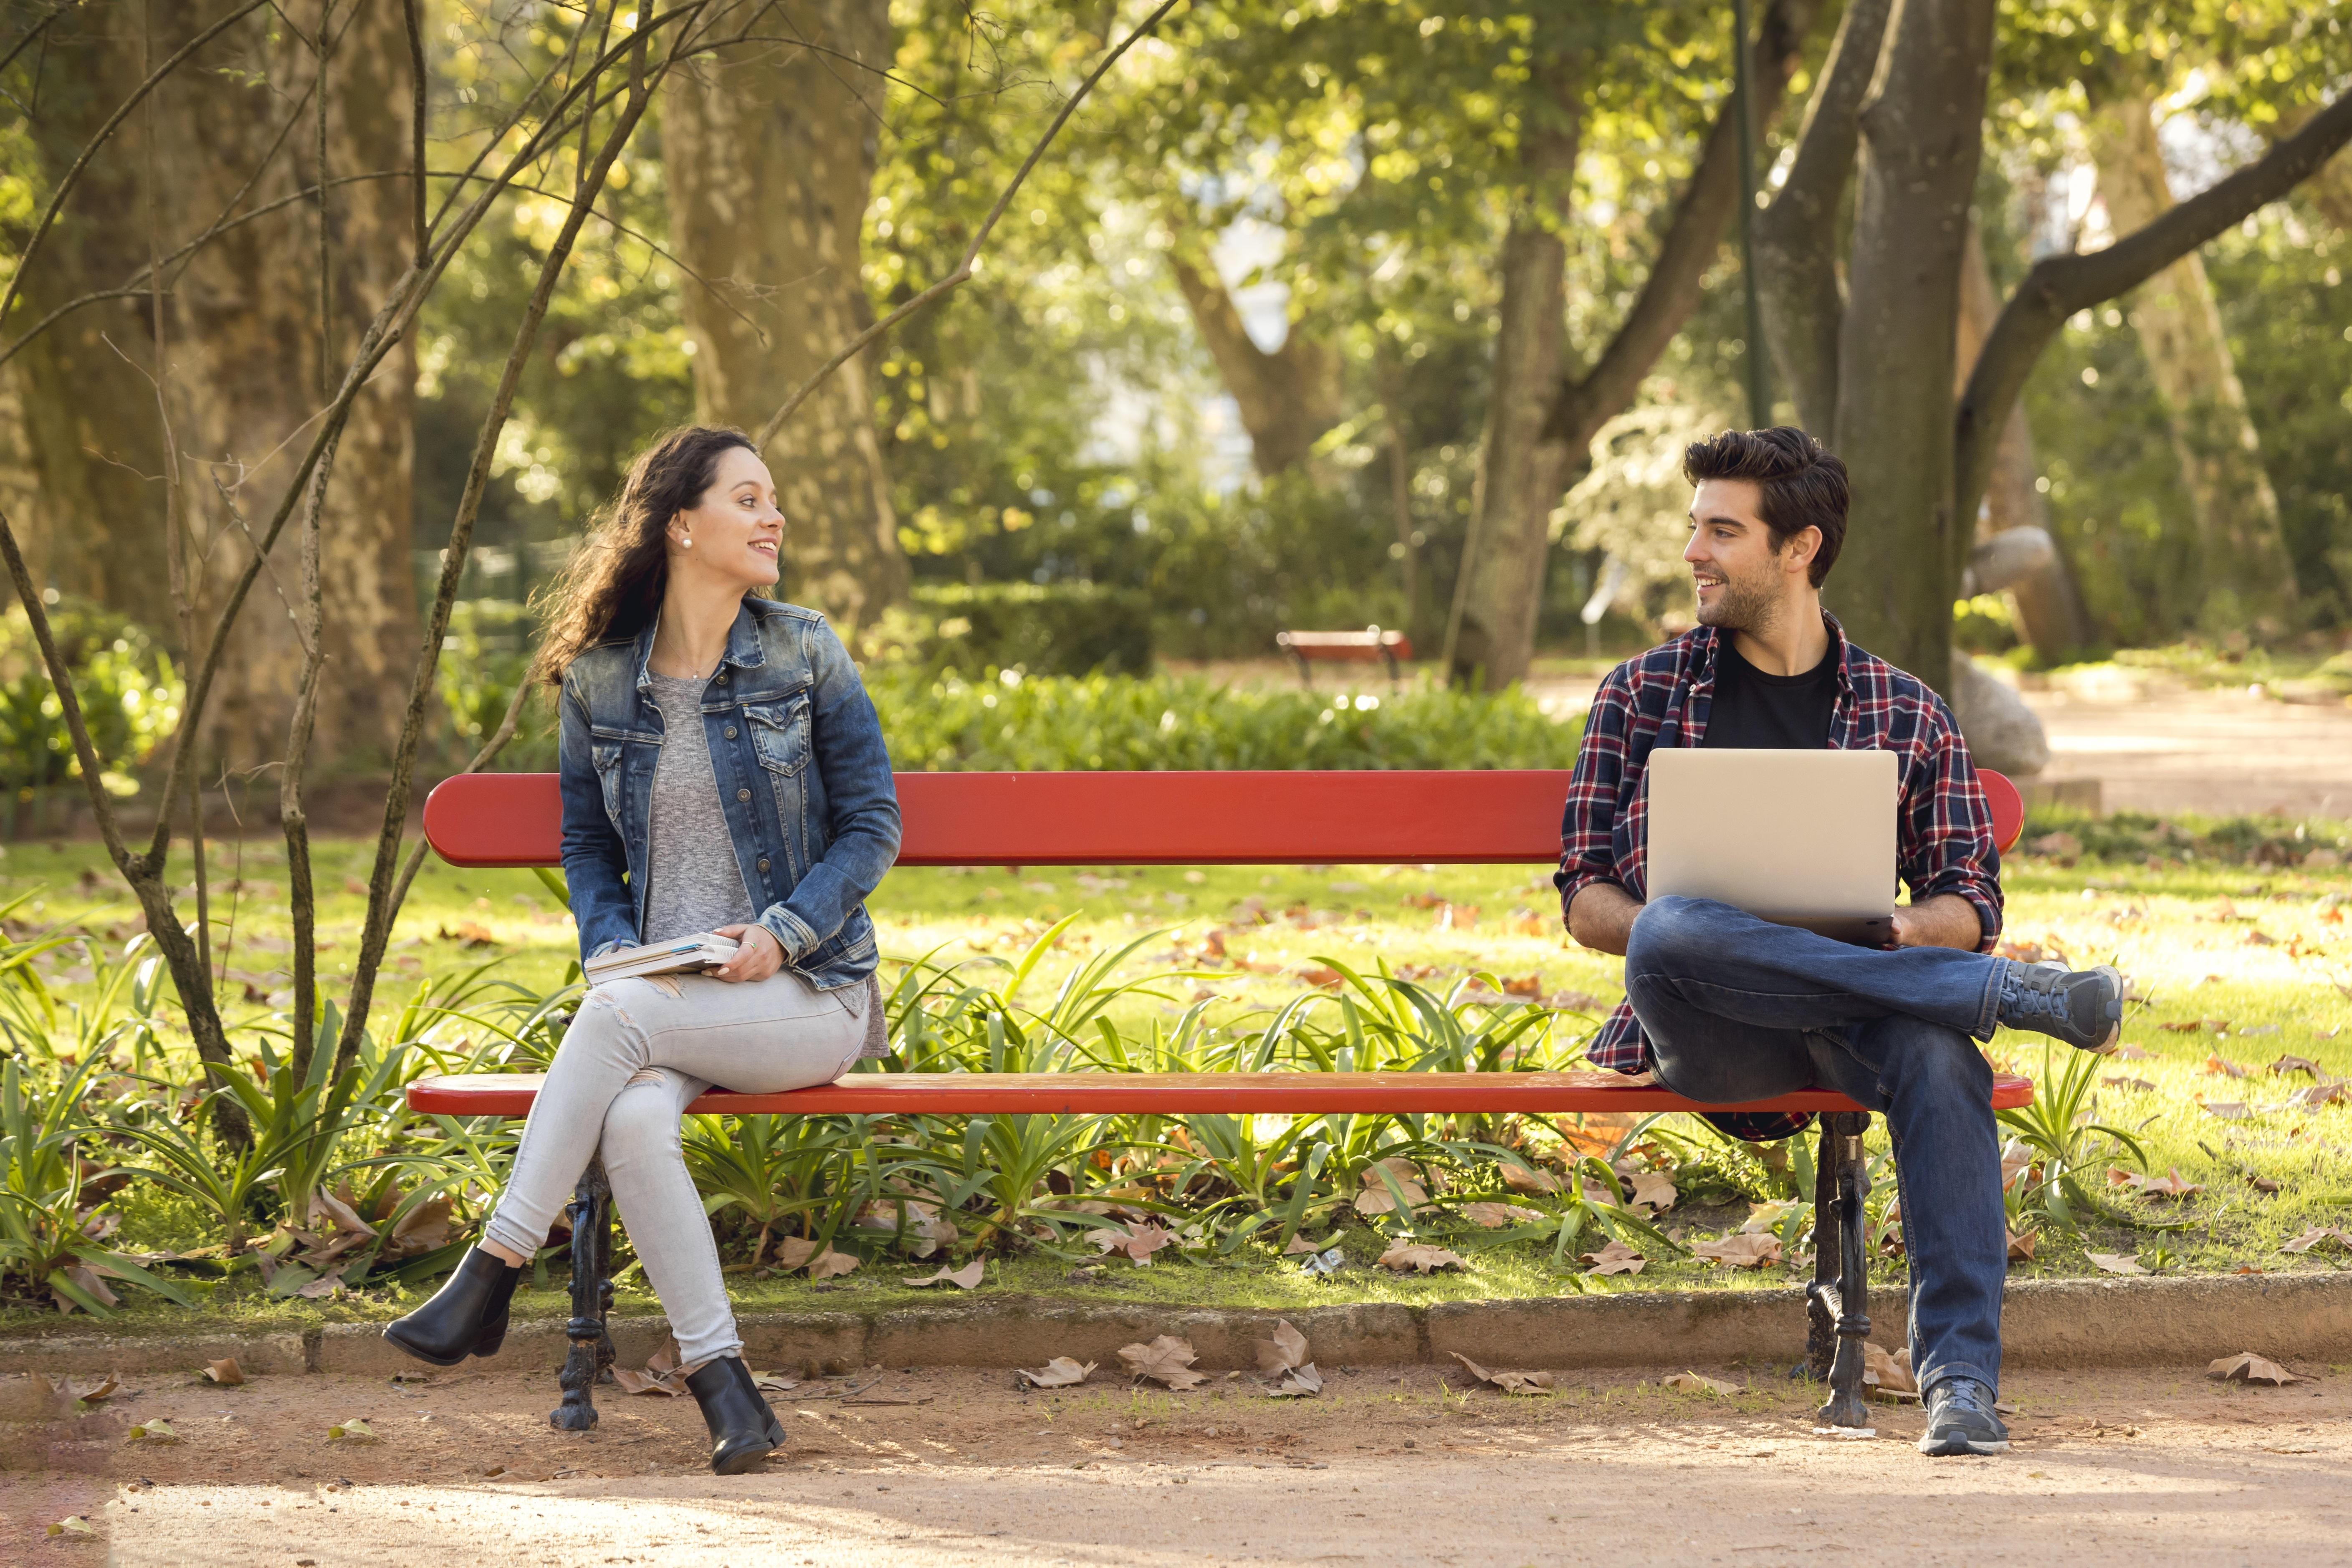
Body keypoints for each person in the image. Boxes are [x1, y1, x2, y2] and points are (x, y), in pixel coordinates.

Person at [1556, 427, 2123, 1459]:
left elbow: (1967, 903)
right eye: (1696, 529)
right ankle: (1995, 997)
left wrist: (1901, 932)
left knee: (1941, 1058)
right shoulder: (1638, 696)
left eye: (1721, 532)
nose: (1694, 553)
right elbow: (1588, 898)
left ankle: (1961, 1385)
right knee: (1674, 926)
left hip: (1862, 1025)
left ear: (1798, 548)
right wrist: (1699, 938)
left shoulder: (1908, 711)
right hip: (1710, 1030)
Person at [384, 425, 900, 1474]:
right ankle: (728, 1390)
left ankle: (490, 1271)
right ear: (680, 524)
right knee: (628, 1115)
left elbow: (874, 823)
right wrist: (615, 946)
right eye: (748, 500)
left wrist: (784, 931)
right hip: (667, 1000)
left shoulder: (803, 648)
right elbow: (586, 845)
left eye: (773, 500)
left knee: (617, 1022)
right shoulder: (601, 682)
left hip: (807, 995)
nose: (773, 518)